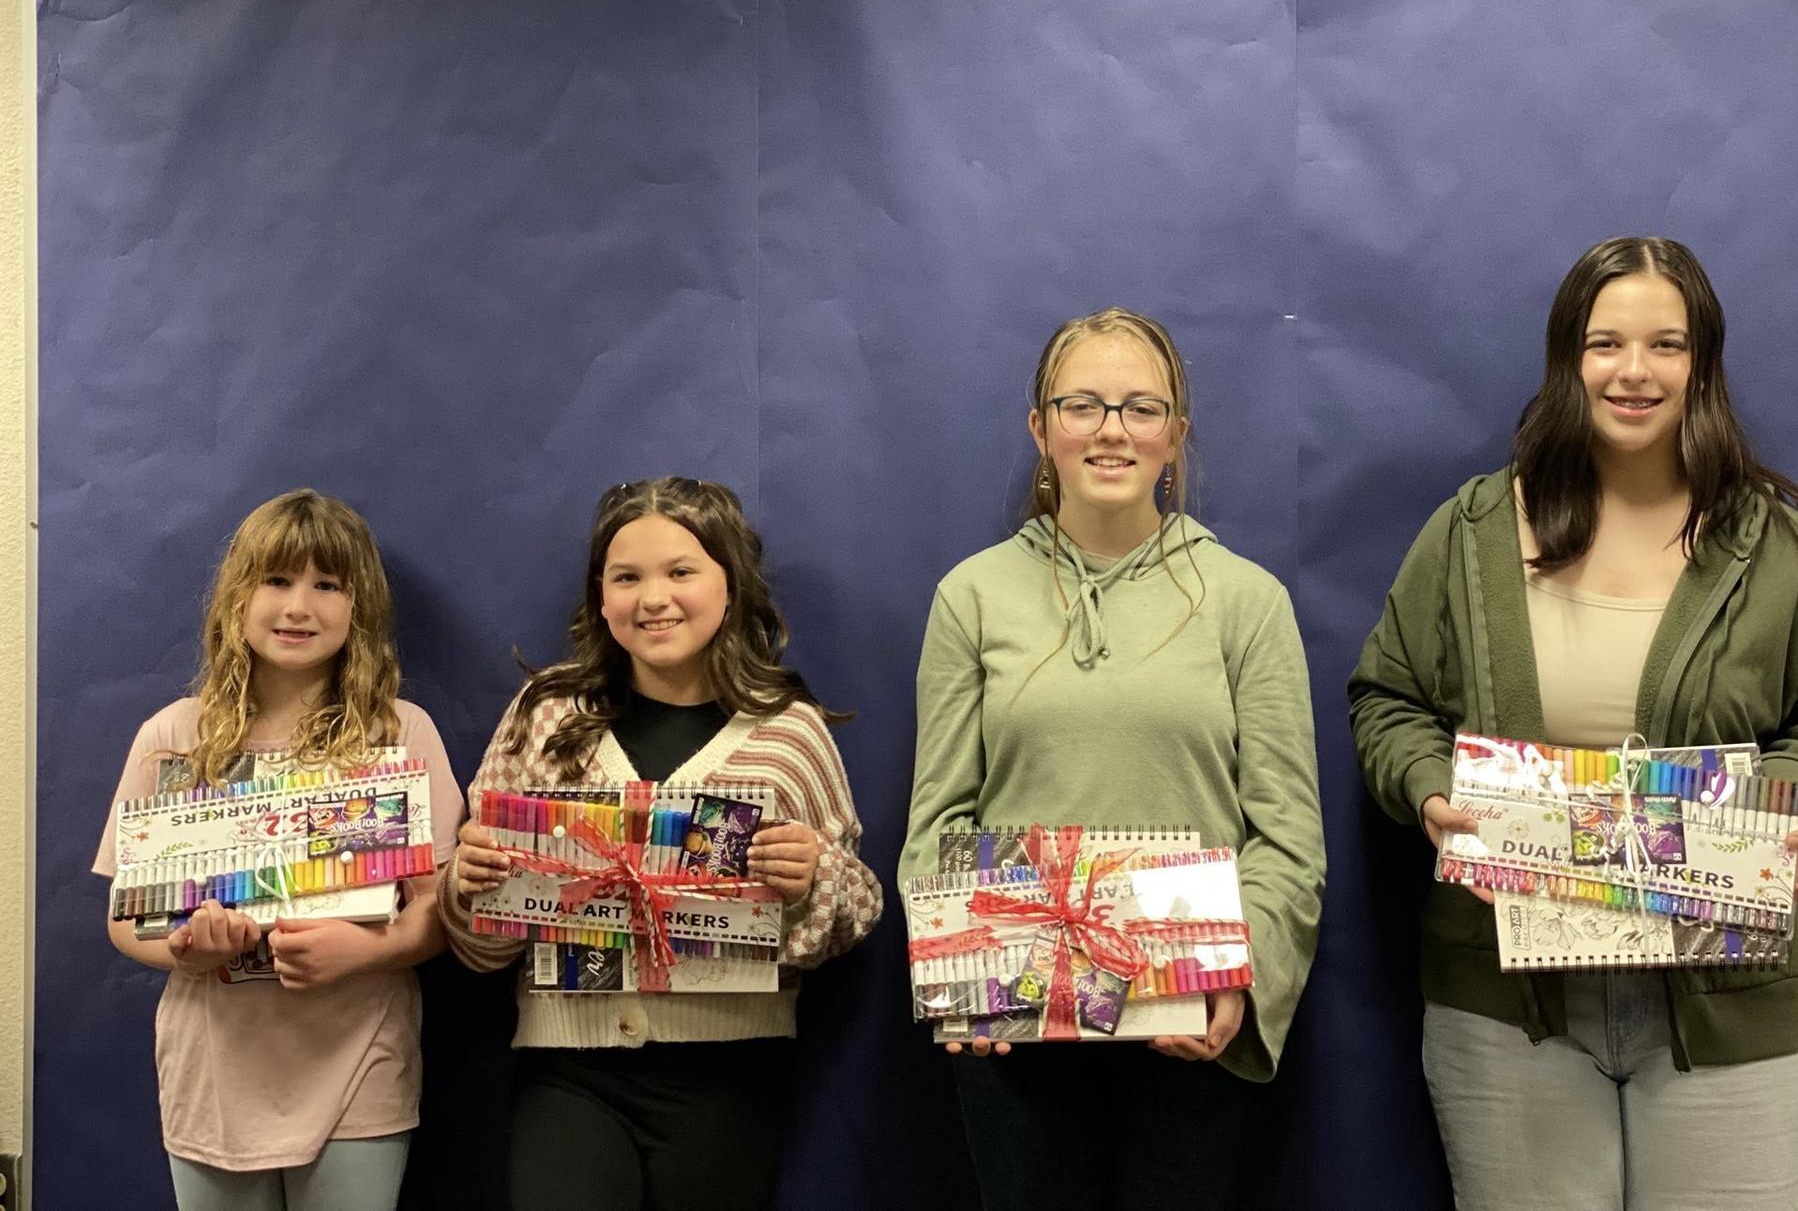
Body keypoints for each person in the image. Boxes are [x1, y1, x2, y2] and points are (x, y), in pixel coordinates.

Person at [1350, 236, 1798, 1211]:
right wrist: (1431, 792)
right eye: (1606, 343)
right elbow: (1387, 701)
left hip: (1731, 1004)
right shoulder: (1472, 534)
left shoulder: (1776, 545)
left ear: (1702, 363)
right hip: (1511, 1010)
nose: (1634, 372)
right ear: (1570, 359)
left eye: (1666, 345)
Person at [903, 307, 1324, 1210]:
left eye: (1140, 408)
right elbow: (938, 819)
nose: (1111, 430)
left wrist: (1239, 977)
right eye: (1083, 404)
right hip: (1014, 1019)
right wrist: (953, 976)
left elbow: (1288, 835)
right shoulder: (971, 597)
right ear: (1040, 429)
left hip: (1188, 1017)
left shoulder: (1246, 601)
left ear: (1175, 435)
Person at [442, 477, 882, 1211]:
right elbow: (480, 946)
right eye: (627, 577)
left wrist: (814, 876)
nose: (654, 598)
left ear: (731, 586)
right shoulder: (547, 715)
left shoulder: (787, 733)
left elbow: (856, 913)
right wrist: (470, 886)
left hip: (730, 1072)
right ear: (599, 597)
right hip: (569, 1067)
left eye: (681, 571)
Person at [97, 489, 462, 1210]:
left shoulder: (398, 735)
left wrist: (367, 952)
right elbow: (122, 916)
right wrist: (186, 950)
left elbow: (439, 910)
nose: (300, 606)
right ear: (237, 595)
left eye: (327, 585)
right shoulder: (176, 739)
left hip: (359, 1064)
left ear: (359, 609)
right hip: (217, 1074)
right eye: (277, 581)